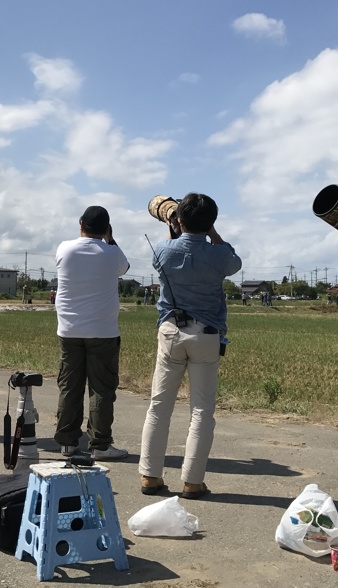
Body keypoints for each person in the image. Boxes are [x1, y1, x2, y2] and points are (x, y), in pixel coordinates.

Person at [138, 193, 242, 499]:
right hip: (207, 336)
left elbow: (167, 255)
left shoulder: (162, 250)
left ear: (179, 221)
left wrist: (176, 229)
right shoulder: (219, 255)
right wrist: (212, 234)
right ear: (211, 223)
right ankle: (193, 482)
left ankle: (150, 476)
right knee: (201, 411)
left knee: (159, 407)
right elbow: (233, 261)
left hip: (171, 331)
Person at [53, 206, 131, 460]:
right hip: (103, 331)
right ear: (106, 229)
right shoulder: (112, 253)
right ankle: (100, 445)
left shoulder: (64, 248)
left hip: (69, 329)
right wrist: (110, 239)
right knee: (101, 388)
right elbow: (124, 268)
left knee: (69, 385)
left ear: (81, 224)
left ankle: (67, 442)